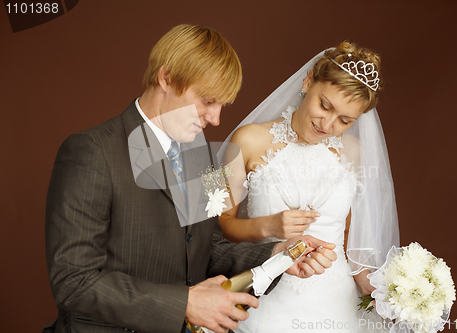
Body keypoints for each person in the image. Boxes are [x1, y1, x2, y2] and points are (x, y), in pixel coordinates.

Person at [43, 24, 337, 333]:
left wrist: (278, 254)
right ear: (166, 78)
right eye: (208, 101)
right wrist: (184, 303)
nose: (215, 119)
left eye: (222, 105)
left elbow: (206, 248)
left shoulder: (202, 156)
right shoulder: (91, 152)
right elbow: (72, 281)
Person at [217, 41, 400, 332]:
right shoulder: (246, 140)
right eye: (324, 106)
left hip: (339, 304)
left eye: (344, 120)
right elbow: (218, 225)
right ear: (308, 81)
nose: (327, 124)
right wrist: (267, 226)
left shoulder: (356, 153)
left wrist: (377, 287)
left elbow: (351, 235)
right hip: (266, 300)